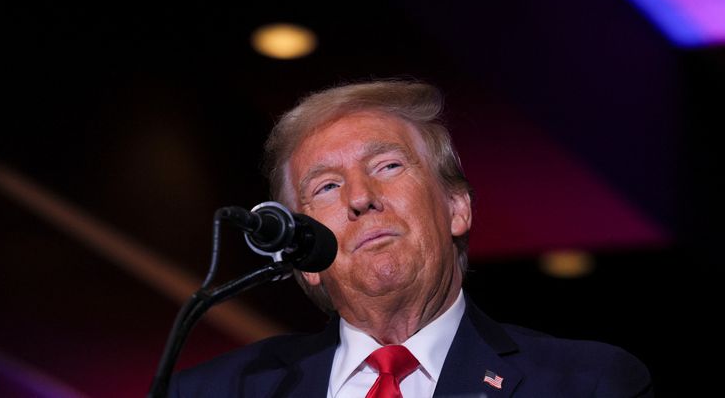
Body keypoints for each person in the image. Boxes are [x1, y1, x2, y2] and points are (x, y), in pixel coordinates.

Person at [169, 78, 653, 397]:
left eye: (389, 166)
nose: (360, 197)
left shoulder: (586, 385)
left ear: (456, 208)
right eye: (328, 186)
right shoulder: (215, 391)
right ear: (304, 257)